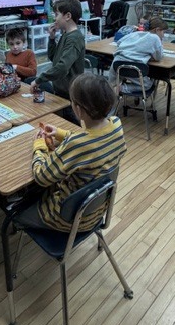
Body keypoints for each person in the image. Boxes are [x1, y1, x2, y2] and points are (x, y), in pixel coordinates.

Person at [13, 73, 126, 231]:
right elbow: (91, 140)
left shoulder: (76, 145)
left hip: (69, 219)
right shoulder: (116, 124)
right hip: (97, 210)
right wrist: (60, 133)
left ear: (78, 110)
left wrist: (39, 145)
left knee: (15, 215)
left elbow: (41, 177)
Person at [30, 0, 85, 123]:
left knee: (73, 127)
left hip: (70, 94)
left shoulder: (75, 38)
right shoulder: (66, 34)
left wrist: (39, 80)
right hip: (60, 91)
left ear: (67, 16)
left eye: (56, 14)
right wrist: (51, 38)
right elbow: (54, 58)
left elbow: (62, 67)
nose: (54, 18)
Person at [107, 17, 168, 90]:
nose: (163, 35)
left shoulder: (137, 33)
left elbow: (118, 42)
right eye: (163, 32)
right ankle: (122, 88)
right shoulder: (155, 38)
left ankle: (115, 90)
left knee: (111, 86)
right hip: (132, 67)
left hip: (116, 63)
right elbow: (158, 57)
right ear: (157, 30)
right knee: (147, 85)